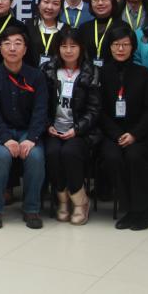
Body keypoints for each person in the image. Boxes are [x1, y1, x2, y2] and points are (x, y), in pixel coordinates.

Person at [0, 26, 48, 229]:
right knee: (1, 156)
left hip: (28, 132)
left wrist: (31, 138)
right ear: (0, 48)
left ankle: (32, 209)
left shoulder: (36, 76)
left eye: (18, 44)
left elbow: (41, 111)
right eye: (7, 44)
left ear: (25, 49)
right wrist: (5, 138)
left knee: (35, 156)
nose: (12, 48)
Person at [98, 24, 148, 231]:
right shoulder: (103, 73)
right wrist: (117, 134)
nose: (120, 49)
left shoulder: (143, 73)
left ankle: (144, 212)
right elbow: (100, 110)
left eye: (125, 44)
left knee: (135, 156)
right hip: (112, 133)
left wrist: (134, 134)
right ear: (110, 47)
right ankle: (130, 209)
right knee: (112, 157)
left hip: (139, 134)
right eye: (116, 44)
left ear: (133, 47)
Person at [41, 27, 101, 225]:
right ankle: (62, 200)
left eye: (73, 46)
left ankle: (80, 201)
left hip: (81, 131)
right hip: (53, 130)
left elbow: (94, 109)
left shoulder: (91, 71)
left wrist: (76, 129)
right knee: (52, 153)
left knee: (69, 153)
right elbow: (40, 104)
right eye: (64, 46)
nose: (68, 50)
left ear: (81, 48)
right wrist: (47, 125)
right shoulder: (48, 70)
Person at [78, 0, 119, 67]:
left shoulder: (121, 27)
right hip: (88, 72)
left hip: (115, 72)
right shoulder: (84, 28)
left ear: (112, 2)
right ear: (90, 4)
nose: (100, 3)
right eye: (96, 0)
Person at [25, 0, 64, 67]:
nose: (49, 7)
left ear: (61, 8)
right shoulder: (28, 26)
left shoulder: (66, 30)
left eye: (55, 4)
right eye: (46, 2)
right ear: (39, 4)